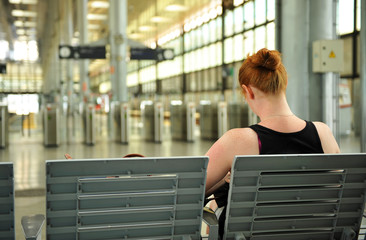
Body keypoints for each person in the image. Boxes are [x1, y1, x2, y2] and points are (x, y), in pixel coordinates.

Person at [204, 48, 340, 237]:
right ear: (283, 85)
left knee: (214, 205)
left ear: (248, 91)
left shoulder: (237, 140)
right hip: (313, 233)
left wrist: (225, 180)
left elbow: (192, 188)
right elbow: (335, 192)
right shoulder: (323, 133)